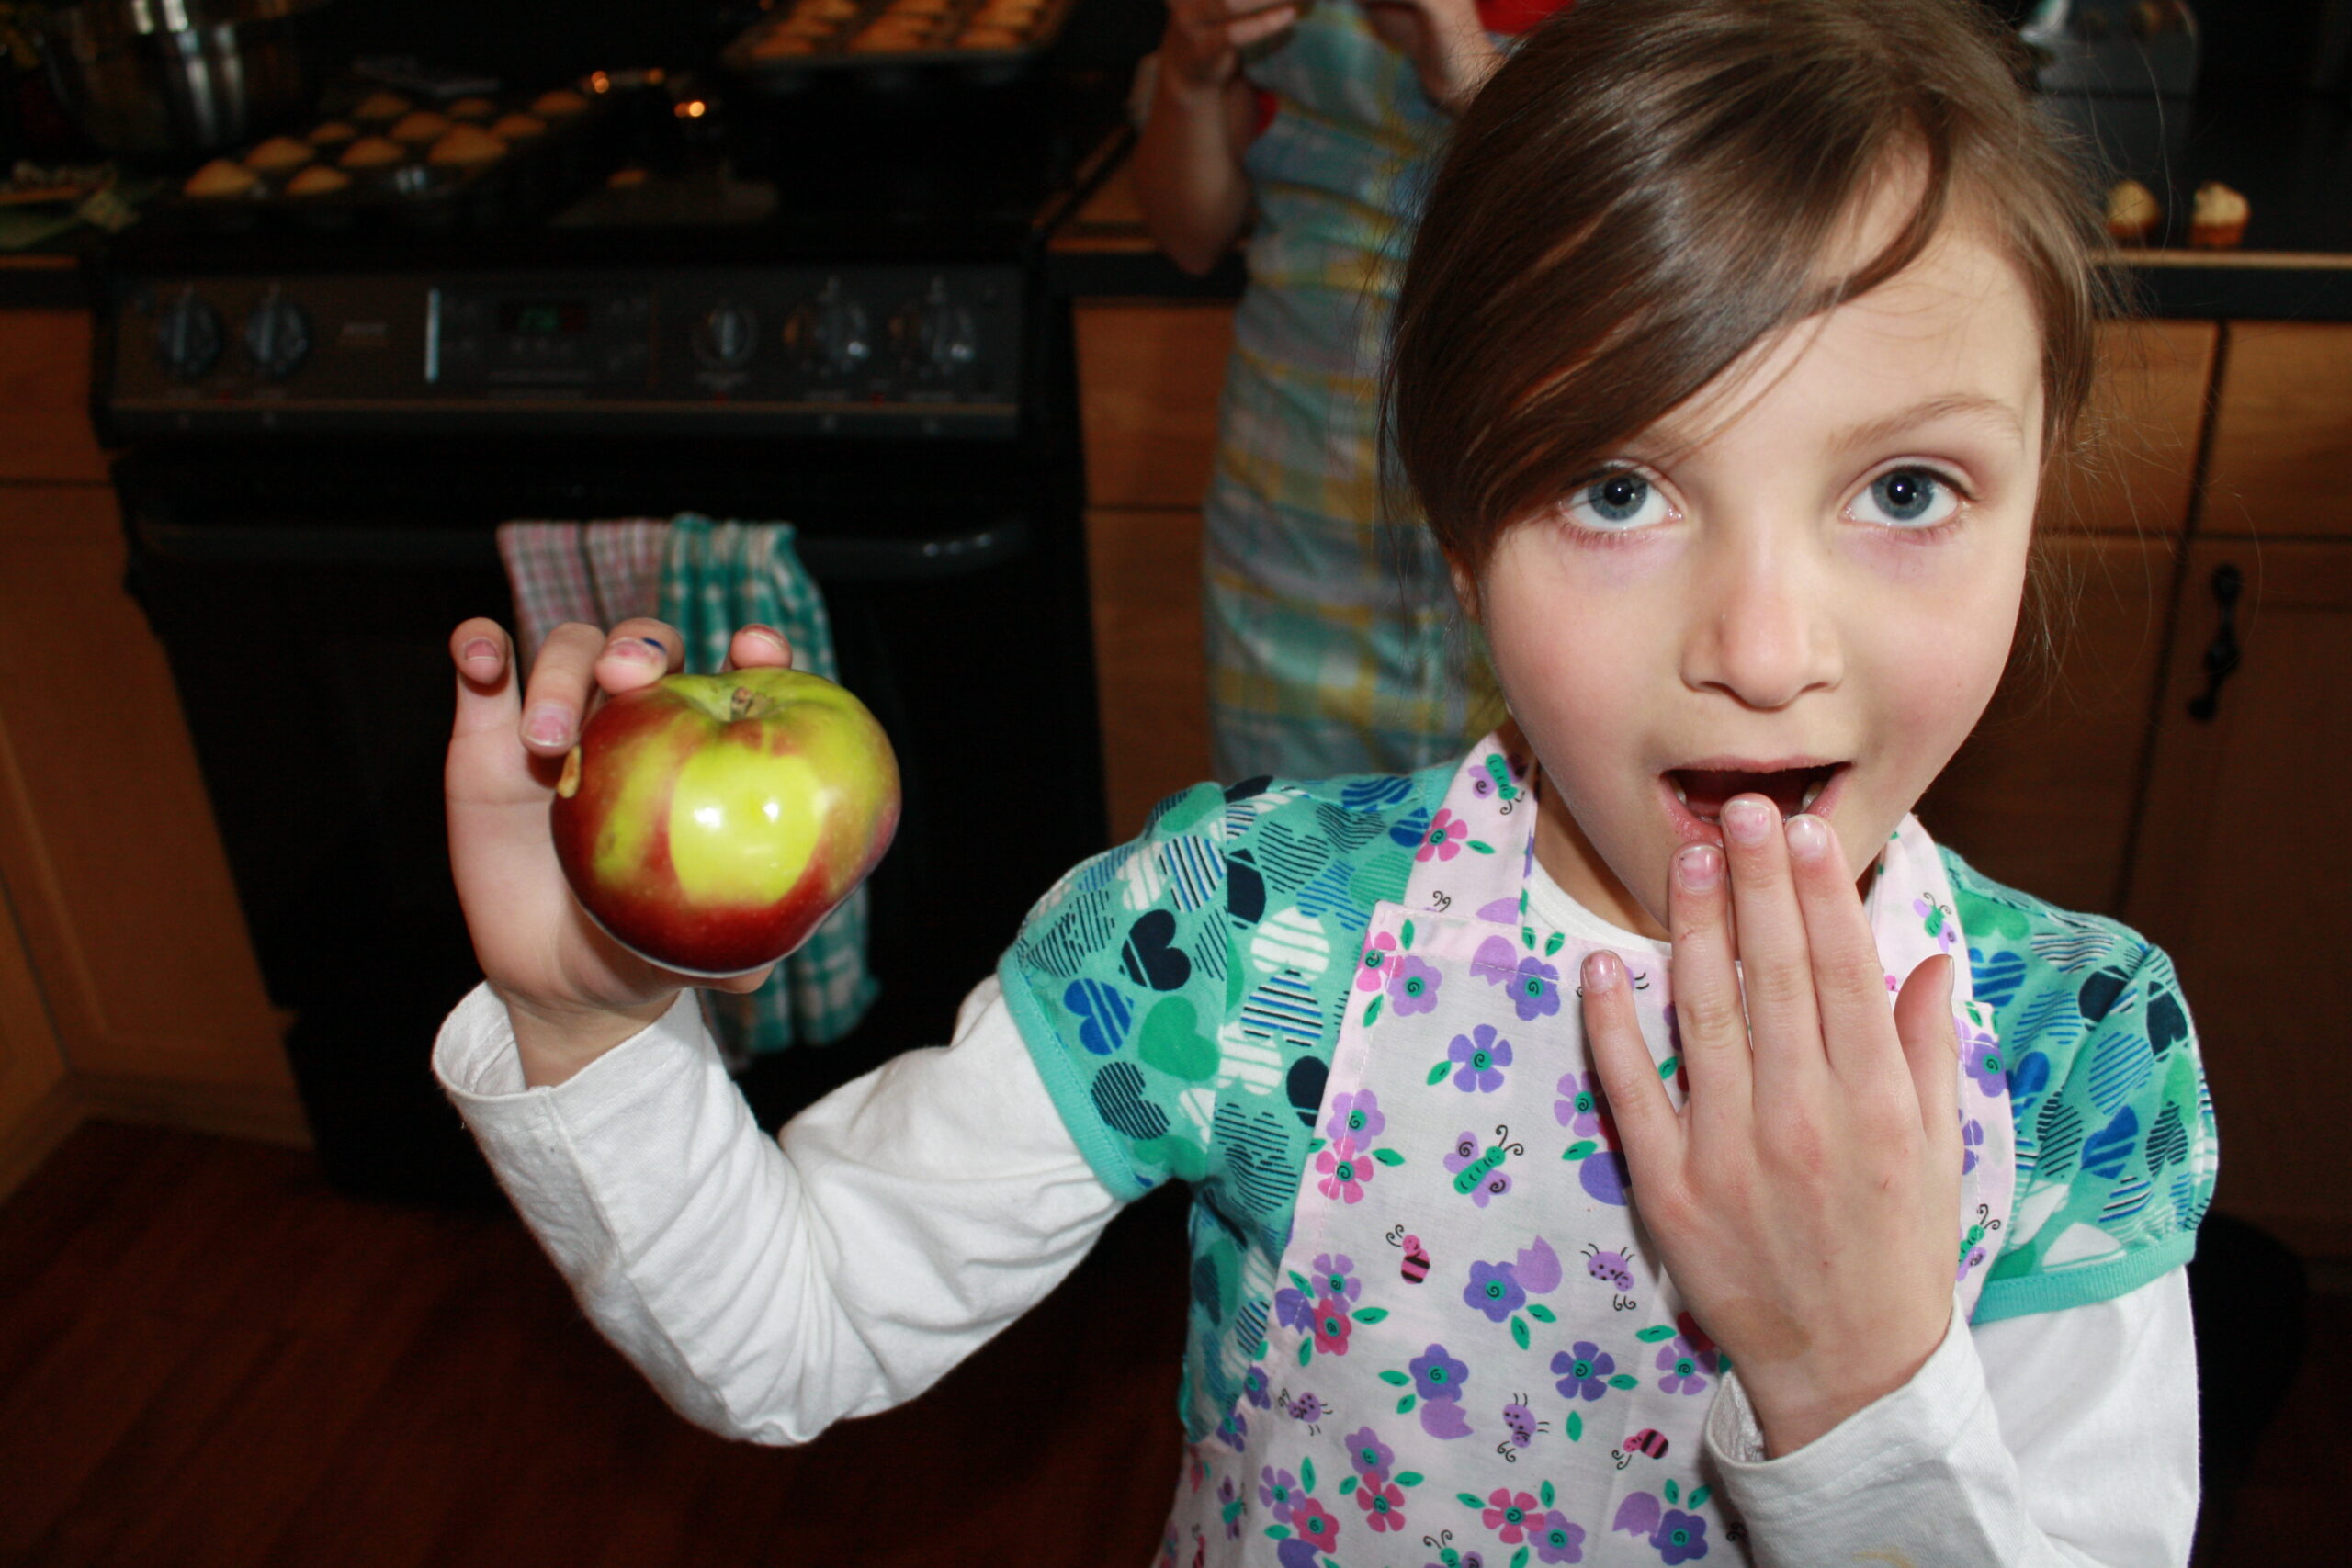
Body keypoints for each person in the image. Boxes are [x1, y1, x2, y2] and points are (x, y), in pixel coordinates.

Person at [435, 2, 2215, 1562]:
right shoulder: (1236, 938)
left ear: (2032, 497)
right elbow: (795, 1331)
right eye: (1614, 486)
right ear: (1454, 535)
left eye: (1902, 489)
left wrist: (1854, 1382)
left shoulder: (2072, 1061)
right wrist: (592, 1032)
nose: (1762, 643)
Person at [1134, 0, 1516, 778]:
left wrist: (1469, 70)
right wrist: (1191, 68)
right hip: (1299, 512)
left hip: (1541, 513)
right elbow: (1190, 232)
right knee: (1292, 870)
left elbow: (1691, 221)